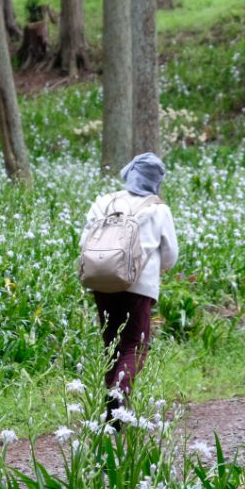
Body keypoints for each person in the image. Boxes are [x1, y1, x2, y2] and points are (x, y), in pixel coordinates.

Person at [81, 152, 178, 419]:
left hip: (102, 281)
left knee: (111, 342)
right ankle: (119, 396)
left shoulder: (104, 201)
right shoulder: (158, 208)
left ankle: (112, 405)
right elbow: (170, 255)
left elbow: (85, 241)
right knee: (134, 345)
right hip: (140, 286)